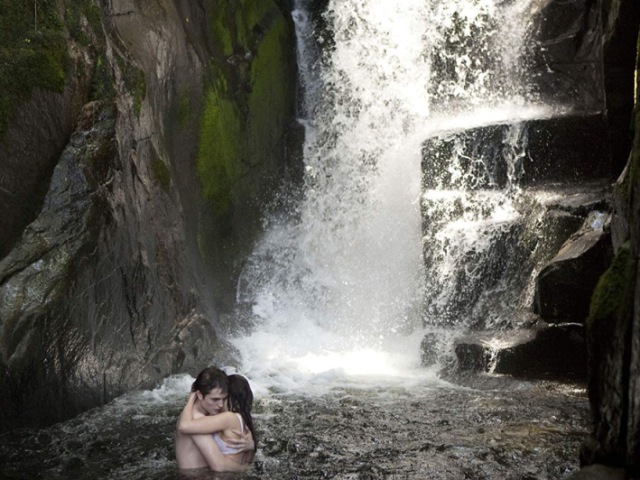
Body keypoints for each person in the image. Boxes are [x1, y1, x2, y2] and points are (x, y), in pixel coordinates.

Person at [175, 367, 255, 472]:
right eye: (215, 399)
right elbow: (219, 465)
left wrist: (251, 446)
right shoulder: (195, 419)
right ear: (199, 395)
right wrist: (245, 469)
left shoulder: (209, 416)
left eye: (224, 399)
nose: (220, 405)